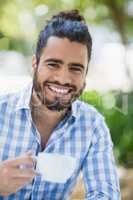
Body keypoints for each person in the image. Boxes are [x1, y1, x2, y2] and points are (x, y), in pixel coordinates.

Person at [0, 10, 120, 199]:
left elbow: (105, 193)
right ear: (34, 64)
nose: (63, 79)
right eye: (53, 64)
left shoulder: (93, 126)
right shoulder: (1, 112)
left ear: (85, 76)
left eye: (75, 68)